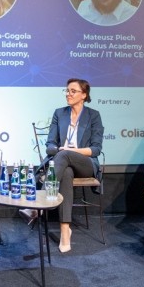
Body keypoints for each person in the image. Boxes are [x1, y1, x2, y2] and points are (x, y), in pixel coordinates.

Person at [41, 78, 104, 253]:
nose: (68, 94)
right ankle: (65, 231)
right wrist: (60, 150)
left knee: (66, 155)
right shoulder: (59, 113)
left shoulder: (93, 115)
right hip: (63, 163)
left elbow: (96, 149)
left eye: (73, 91)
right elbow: (50, 145)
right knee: (67, 172)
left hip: (86, 164)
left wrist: (71, 151)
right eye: (67, 90)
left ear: (83, 95)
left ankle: (41, 198)